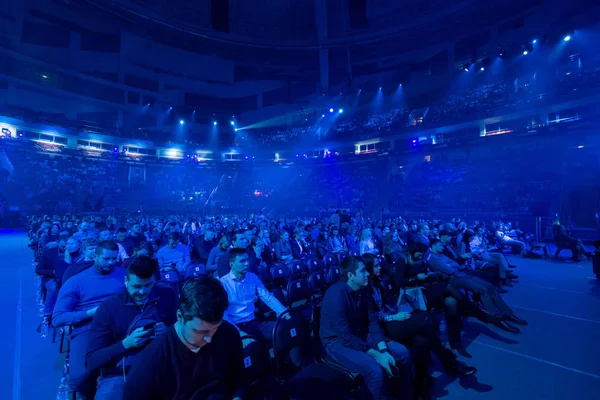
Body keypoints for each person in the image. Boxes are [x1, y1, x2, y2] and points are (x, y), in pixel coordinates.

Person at [362, 255, 476, 398]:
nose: (380, 267)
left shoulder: (378, 282)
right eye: (376, 266)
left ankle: (421, 386)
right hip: (382, 328)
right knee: (426, 319)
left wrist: (400, 305)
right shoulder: (363, 289)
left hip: (391, 319)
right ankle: (451, 364)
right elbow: (371, 317)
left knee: (421, 341)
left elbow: (386, 304)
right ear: (367, 269)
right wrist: (393, 316)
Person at [123, 276, 245, 400]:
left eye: (216, 328)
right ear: (180, 317)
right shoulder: (149, 365)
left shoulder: (228, 333)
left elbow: (238, 379)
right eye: (200, 332)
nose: (209, 338)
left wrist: (238, 396)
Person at [320, 256, 412, 400]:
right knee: (374, 370)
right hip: (336, 342)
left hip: (359, 333)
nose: (368, 274)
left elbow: (372, 322)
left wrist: (384, 350)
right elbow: (344, 335)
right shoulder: (335, 295)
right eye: (363, 271)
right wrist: (377, 355)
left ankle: (404, 396)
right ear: (351, 276)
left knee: (403, 353)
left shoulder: (362, 290)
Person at [86, 256, 179, 399]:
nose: (142, 292)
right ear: (126, 281)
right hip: (120, 375)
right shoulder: (109, 308)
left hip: (162, 369)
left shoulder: (167, 295)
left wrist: (169, 332)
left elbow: (183, 332)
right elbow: (92, 360)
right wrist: (126, 343)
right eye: (136, 286)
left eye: (148, 285)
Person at [52, 240, 126, 394]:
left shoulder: (124, 276)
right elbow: (58, 318)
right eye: (106, 259)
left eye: (114, 258)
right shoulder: (76, 281)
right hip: (88, 328)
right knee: (81, 377)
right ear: (96, 256)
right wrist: (90, 313)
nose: (111, 262)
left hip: (120, 325)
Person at [428, 239, 527, 333]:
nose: (442, 247)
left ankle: (507, 314)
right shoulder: (433, 258)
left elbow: (455, 264)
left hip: (462, 275)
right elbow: (450, 270)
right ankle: (496, 317)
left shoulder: (441, 256)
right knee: (482, 289)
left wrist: (451, 265)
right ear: (434, 246)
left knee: (491, 287)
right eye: (440, 245)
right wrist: (451, 265)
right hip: (453, 280)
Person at [220, 248, 287, 339]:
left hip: (254, 322)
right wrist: (239, 333)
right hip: (236, 326)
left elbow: (268, 298)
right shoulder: (223, 284)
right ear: (231, 265)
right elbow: (223, 315)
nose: (247, 263)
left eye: (247, 259)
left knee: (285, 330)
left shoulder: (252, 277)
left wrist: (283, 312)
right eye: (242, 261)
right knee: (253, 347)